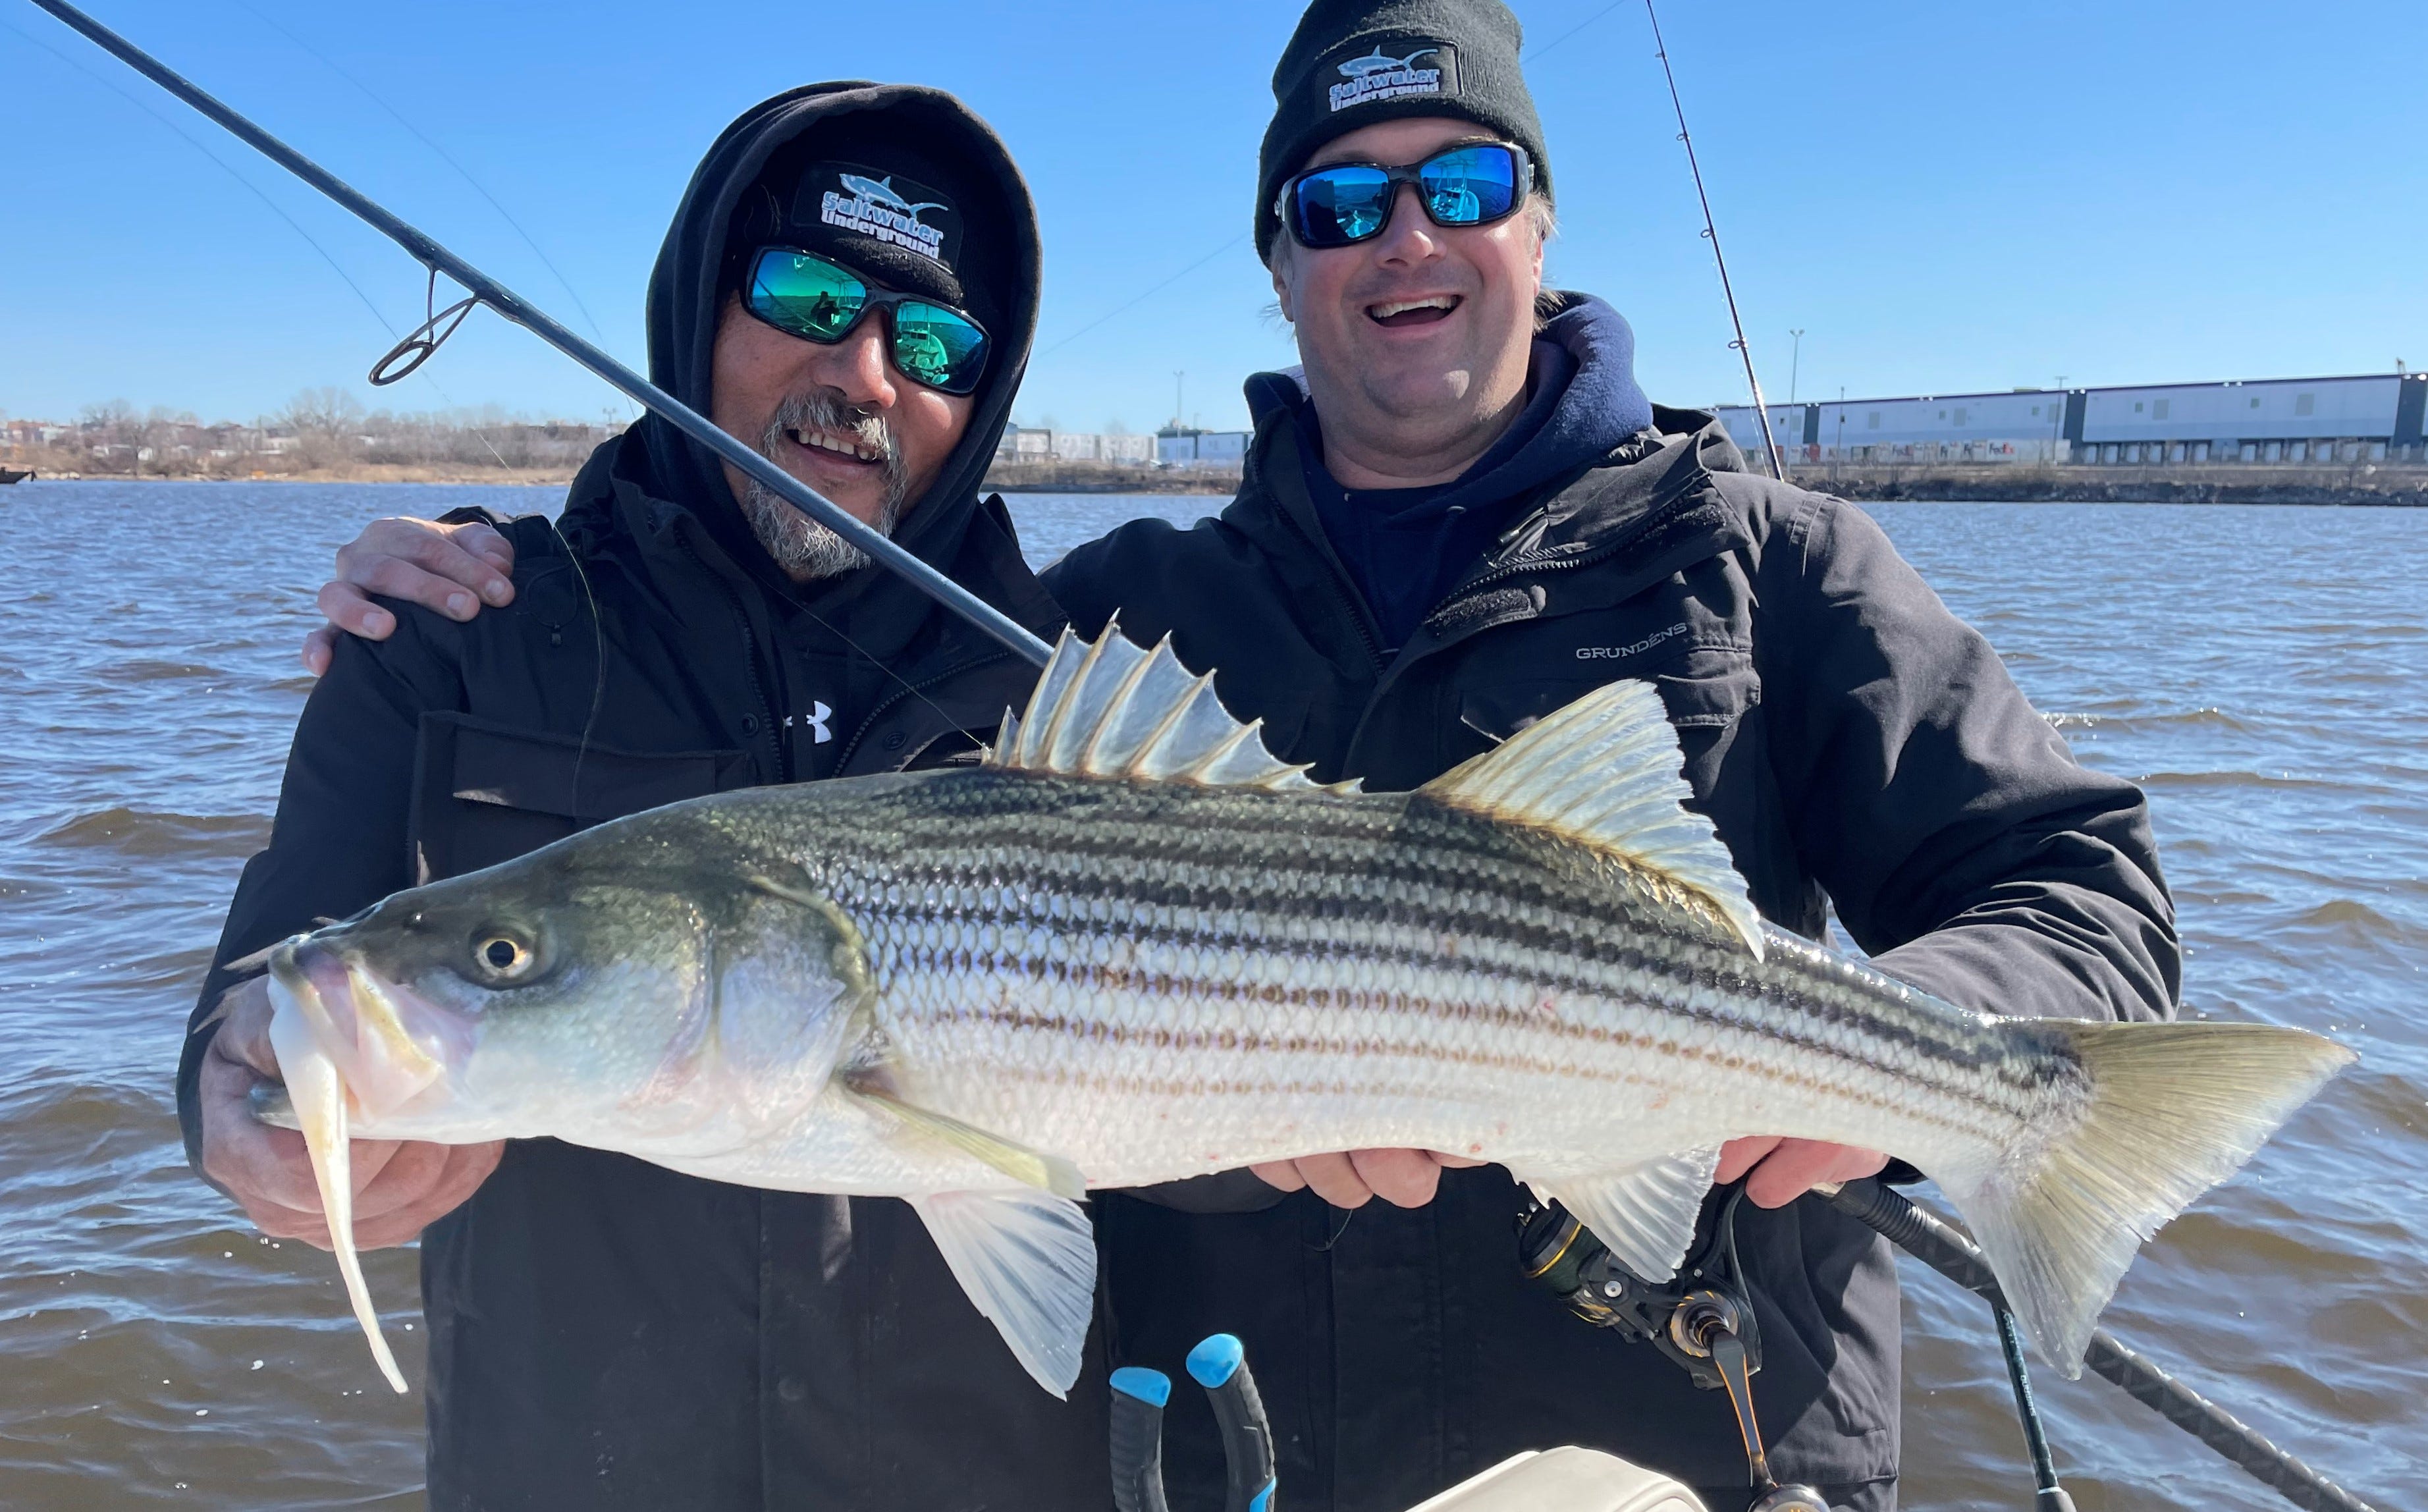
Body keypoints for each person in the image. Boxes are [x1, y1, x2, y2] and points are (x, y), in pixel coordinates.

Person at [308, 3, 2180, 1508]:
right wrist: (480, 587)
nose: (1406, 239)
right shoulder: (1114, 606)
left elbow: (2081, 889)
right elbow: (806, 674)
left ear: (1538, 217)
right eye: (1340, 203)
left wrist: (1912, 1054)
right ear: (1280, 261)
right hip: (1251, 1454)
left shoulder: (1773, 560)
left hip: (1701, 1439)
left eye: (1460, 179)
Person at [180, 84, 1109, 1509]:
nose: (862, 372)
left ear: (977, 400)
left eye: (929, 340)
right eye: (806, 290)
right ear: (696, 304)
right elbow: (286, 959)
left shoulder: (1062, 701)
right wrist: (234, 1087)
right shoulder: (452, 624)